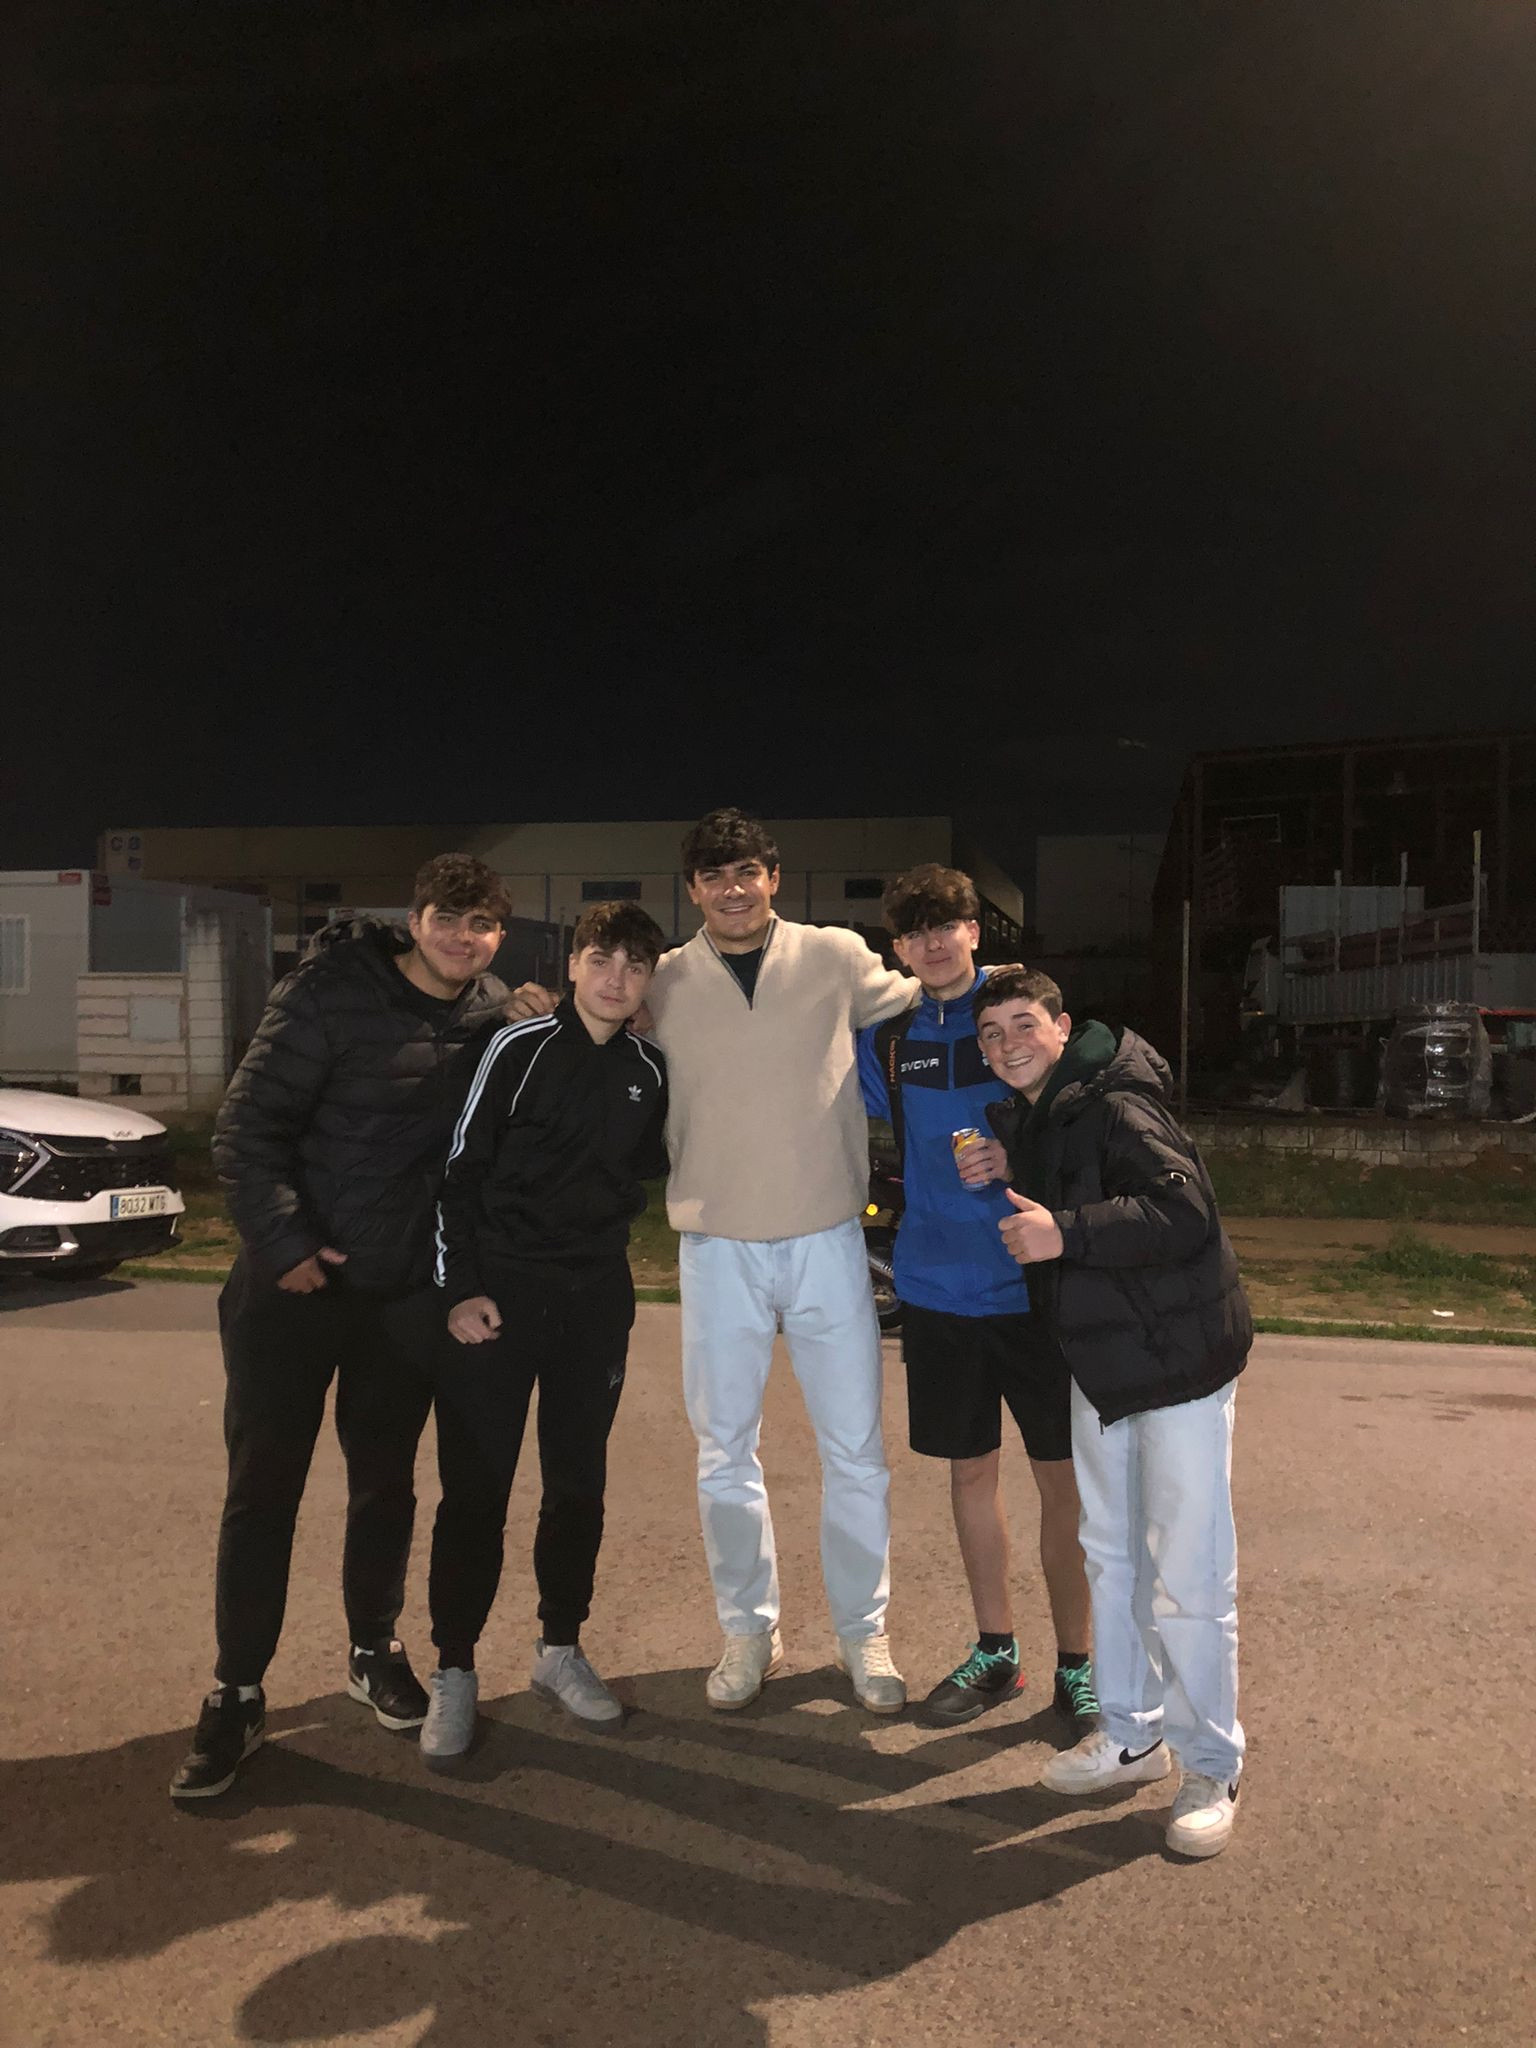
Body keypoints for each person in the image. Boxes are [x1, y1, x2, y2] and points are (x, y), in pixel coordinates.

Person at [508, 808, 917, 1712]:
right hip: (716, 1242)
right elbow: (589, 1021)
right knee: (725, 1453)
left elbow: (927, 993)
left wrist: (997, 980)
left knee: (856, 1450)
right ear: (692, 889)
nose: (732, 890)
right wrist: (522, 1006)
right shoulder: (663, 980)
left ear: (774, 876)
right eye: (713, 876)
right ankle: (748, 1630)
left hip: (825, 1236)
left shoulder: (835, 955)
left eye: (746, 872)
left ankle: (863, 1632)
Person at [169, 855, 511, 1801]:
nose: (464, 938)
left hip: (397, 1298)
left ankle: (373, 1650)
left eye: (483, 924)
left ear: (499, 935)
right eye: (449, 917)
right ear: (415, 916)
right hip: (292, 1289)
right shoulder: (327, 993)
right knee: (263, 1490)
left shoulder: (489, 1017)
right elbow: (246, 1130)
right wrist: (285, 1243)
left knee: (385, 1486)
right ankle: (237, 1691)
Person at [977, 968, 1250, 1859]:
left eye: (1025, 1024)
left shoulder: (1118, 1102)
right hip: (1101, 1367)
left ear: (1062, 1028)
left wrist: (1065, 1231)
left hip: (1178, 1366)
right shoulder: (1044, 1115)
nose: (1009, 1043)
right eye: (992, 1033)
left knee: (1190, 1578)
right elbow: (1075, 1184)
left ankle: (1213, 1764)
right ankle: (1132, 1735)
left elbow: (1184, 1212)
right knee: (1113, 1557)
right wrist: (1012, 1166)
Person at [421, 902, 669, 1759]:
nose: (615, 979)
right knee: (475, 1491)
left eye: (634, 967)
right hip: (499, 1300)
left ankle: (559, 1649)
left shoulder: (649, 1069)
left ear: (648, 982)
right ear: (572, 965)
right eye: (602, 960)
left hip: (595, 1302)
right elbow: (458, 1173)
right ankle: (454, 1668)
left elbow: (651, 1166)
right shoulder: (515, 1048)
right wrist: (459, 1290)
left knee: (577, 1487)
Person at [855, 867, 1097, 1734]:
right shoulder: (889, 1039)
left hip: (1033, 1285)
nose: (932, 943)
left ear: (973, 931)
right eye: (914, 932)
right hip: (934, 1286)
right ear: (897, 949)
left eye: (946, 925)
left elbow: (1086, 1117)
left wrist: (1015, 1159)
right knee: (969, 1474)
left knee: (1062, 1482)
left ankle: (1079, 1664)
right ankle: (997, 1650)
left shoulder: (1017, 1013)